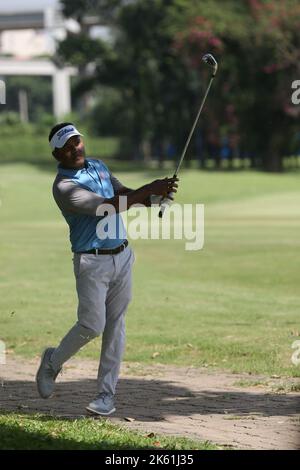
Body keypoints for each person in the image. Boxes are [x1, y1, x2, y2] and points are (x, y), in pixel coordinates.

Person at [35, 122, 178, 416]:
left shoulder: (98, 166)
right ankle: (52, 362)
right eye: (68, 146)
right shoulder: (64, 187)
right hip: (91, 262)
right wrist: (149, 188)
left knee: (116, 327)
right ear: (57, 155)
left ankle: (105, 396)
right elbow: (107, 207)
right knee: (92, 325)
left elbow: (123, 192)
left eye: (77, 141)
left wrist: (153, 198)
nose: (75, 148)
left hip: (122, 256)